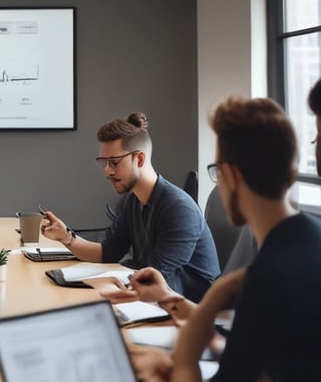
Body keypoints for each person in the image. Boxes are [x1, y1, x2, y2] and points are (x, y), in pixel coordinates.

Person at [135, 96, 321, 382]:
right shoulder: (310, 238)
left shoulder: (267, 276)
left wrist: (183, 361)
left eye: (217, 171)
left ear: (231, 176)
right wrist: (173, 299)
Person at [41, 112, 220, 302]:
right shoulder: (132, 201)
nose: (107, 171)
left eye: (114, 162)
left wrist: (103, 284)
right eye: (104, 163)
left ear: (140, 159)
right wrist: (66, 237)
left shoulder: (179, 209)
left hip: (187, 312)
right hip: (152, 301)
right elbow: (108, 252)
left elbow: (153, 279)